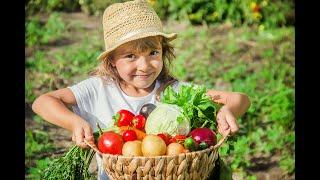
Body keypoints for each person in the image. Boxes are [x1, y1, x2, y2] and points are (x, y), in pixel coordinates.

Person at [31, 0, 250, 179]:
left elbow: (238, 98)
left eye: (153, 53)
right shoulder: (99, 89)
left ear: (163, 52)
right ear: (112, 61)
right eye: (131, 56)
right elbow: (42, 102)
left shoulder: (174, 91)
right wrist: (74, 122)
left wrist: (225, 110)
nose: (145, 66)